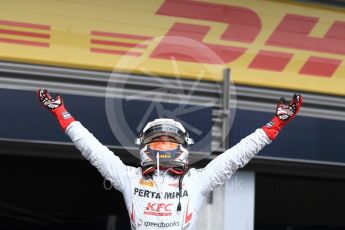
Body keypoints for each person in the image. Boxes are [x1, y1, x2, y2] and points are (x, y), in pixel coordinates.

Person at [37, 89, 303, 230]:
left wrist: (274, 125)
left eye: (168, 142)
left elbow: (235, 157)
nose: (162, 146)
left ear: (182, 147)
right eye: (157, 141)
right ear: (144, 147)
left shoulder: (197, 181)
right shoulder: (129, 178)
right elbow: (93, 150)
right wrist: (62, 113)